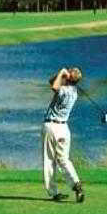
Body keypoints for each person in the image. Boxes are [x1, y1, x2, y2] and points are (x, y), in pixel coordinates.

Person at [42, 67, 85, 203]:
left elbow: (54, 87)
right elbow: (51, 82)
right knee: (64, 160)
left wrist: (61, 72)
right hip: (64, 129)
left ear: (69, 78)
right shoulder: (74, 92)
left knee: (49, 160)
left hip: (51, 126)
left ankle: (53, 192)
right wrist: (63, 75)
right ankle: (76, 184)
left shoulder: (64, 90)